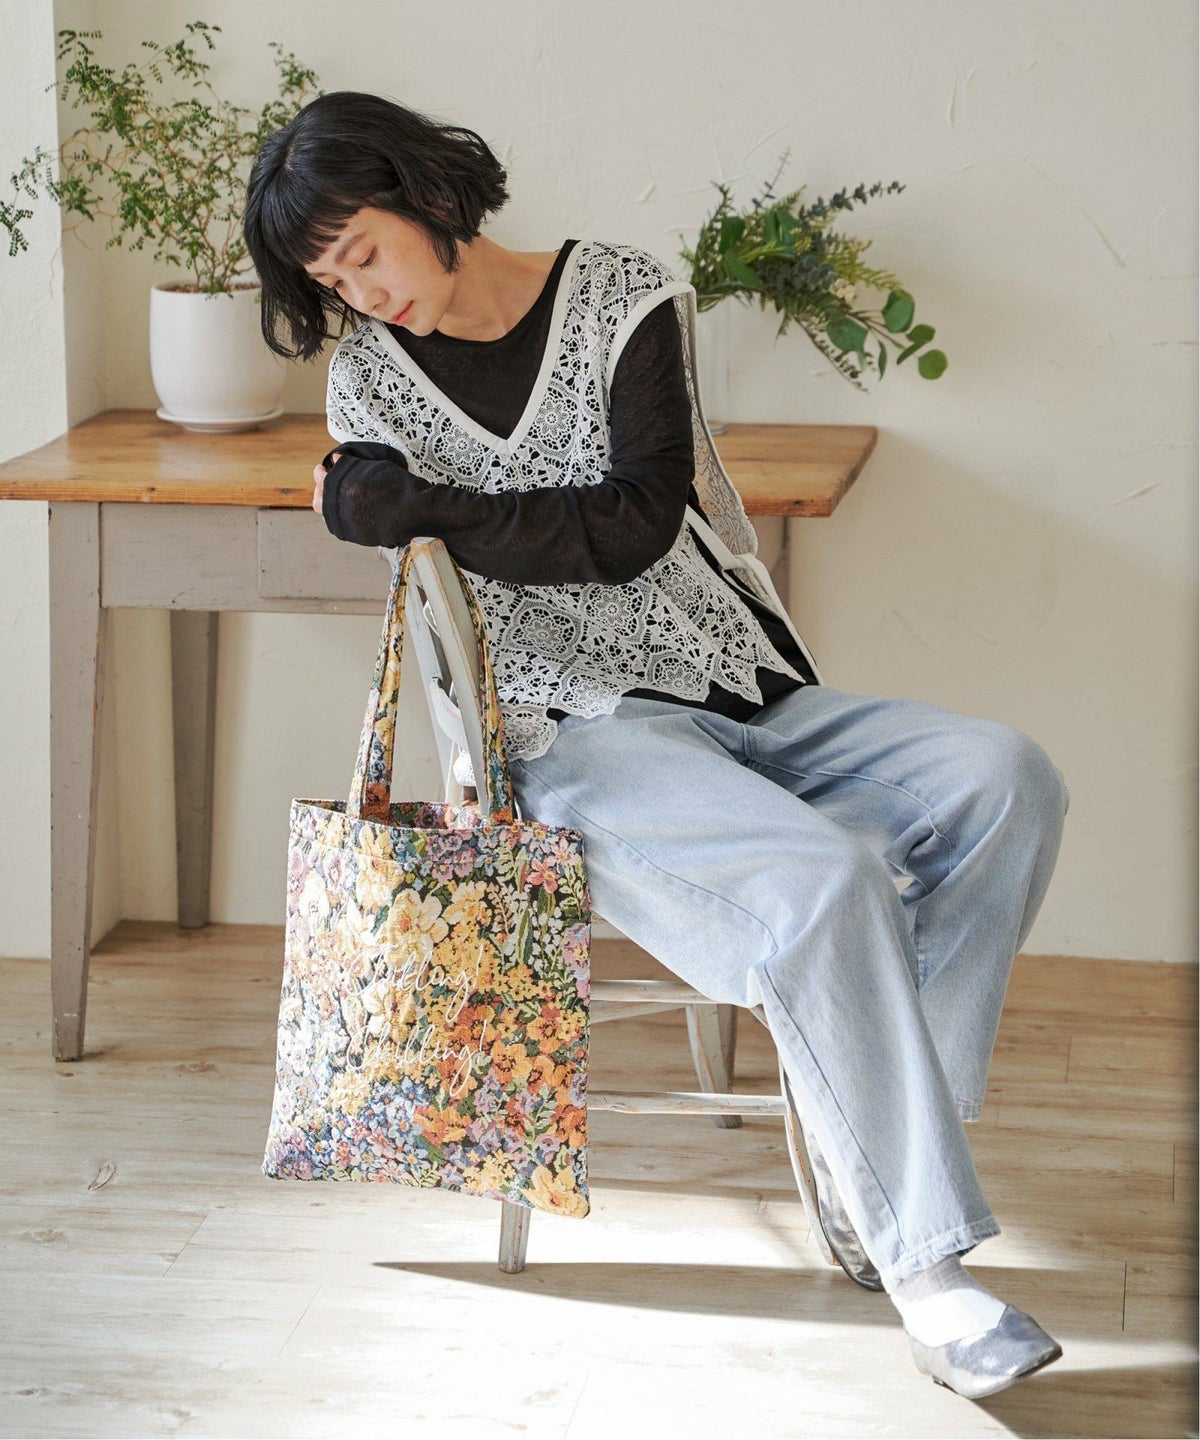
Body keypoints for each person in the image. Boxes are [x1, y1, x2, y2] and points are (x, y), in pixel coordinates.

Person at [242, 90, 1070, 1402]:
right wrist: (422, 512)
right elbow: (538, 528)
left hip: (737, 685)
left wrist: (419, 506)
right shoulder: (368, 379)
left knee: (1007, 776)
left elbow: (632, 525)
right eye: (334, 282)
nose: (365, 296)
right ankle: (933, 1277)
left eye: (365, 254)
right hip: (567, 733)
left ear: (427, 195)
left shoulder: (623, 296)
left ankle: (870, 1139)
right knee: (823, 882)